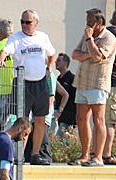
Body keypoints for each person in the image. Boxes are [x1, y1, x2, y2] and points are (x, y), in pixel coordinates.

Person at [0, 10, 56, 165]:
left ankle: (35, 154)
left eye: (28, 22)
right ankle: (19, 154)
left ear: (36, 23)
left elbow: (52, 53)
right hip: (23, 84)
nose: (24, 25)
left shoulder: (43, 37)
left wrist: (49, 68)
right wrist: (0, 59)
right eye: (22, 22)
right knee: (22, 121)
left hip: (40, 83)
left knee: (40, 120)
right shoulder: (16, 37)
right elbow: (5, 50)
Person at [69, 8, 116, 166]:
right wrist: (89, 52)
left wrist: (89, 42)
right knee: (81, 119)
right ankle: (85, 155)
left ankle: (98, 157)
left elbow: (97, 57)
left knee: (98, 119)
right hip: (82, 82)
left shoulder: (109, 38)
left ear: (99, 23)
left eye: (90, 22)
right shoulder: (87, 34)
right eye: (87, 22)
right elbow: (74, 54)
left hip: (98, 83)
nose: (87, 26)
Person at [91, 11, 116, 165]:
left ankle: (100, 152)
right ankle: (104, 153)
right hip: (112, 82)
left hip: (104, 80)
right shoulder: (112, 34)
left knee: (102, 120)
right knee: (108, 120)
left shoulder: (107, 33)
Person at [54, 53, 77, 138]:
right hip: (61, 117)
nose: (55, 62)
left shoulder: (72, 79)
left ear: (65, 63)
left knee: (59, 140)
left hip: (69, 117)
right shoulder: (58, 79)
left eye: (58, 60)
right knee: (63, 142)